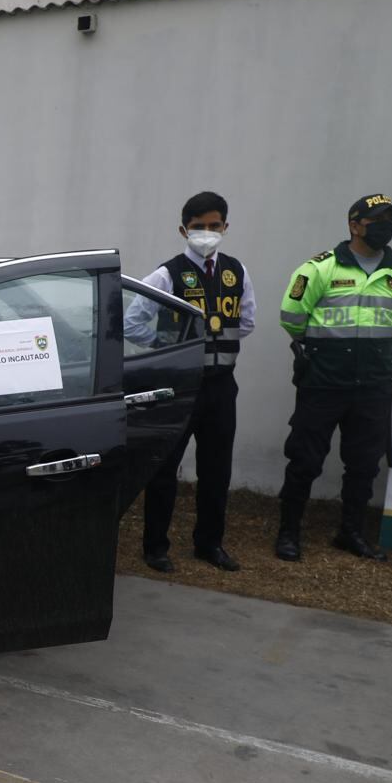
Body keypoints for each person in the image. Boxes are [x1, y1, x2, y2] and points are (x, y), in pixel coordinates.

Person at [274, 194, 392, 562]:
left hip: (373, 382)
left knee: (364, 464)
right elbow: (291, 317)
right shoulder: (319, 269)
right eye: (377, 220)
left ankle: (351, 533)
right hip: (324, 379)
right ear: (354, 225)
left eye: (390, 220)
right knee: (305, 459)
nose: (385, 226)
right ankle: (288, 533)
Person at [125, 190, 255, 572]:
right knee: (165, 468)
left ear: (226, 227)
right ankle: (155, 547)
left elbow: (246, 322)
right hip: (179, 387)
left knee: (217, 470)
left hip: (221, 387)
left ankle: (209, 544)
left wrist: (216, 347)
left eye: (215, 226)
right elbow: (133, 322)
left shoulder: (237, 271)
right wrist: (171, 345)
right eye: (199, 227)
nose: (207, 233)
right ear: (184, 230)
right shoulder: (166, 274)